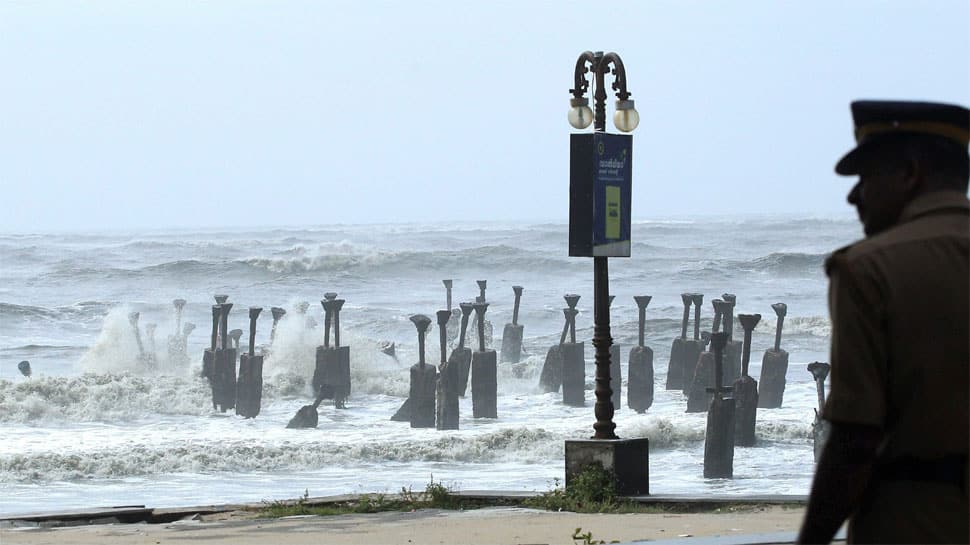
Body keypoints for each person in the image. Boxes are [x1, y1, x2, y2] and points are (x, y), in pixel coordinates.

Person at [798, 100, 969, 544]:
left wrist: (812, 538)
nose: (854, 195)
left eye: (865, 177)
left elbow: (855, 440)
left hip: (915, 523)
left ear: (910, 174)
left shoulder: (868, 270)